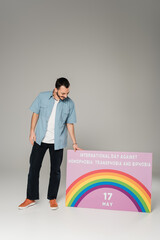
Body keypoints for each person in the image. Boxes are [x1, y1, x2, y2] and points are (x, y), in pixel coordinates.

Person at [18, 77, 82, 210]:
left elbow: (69, 123)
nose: (66, 96)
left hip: (57, 142)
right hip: (40, 139)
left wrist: (74, 142)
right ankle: (30, 198)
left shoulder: (70, 103)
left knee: (55, 171)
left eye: (67, 93)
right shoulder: (42, 97)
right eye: (63, 93)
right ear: (56, 89)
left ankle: (52, 198)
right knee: (34, 168)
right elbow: (35, 114)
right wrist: (32, 132)